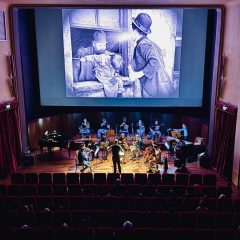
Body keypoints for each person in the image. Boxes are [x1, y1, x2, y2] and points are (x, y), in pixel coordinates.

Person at [128, 13, 176, 98]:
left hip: (154, 90)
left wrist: (136, 75)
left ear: (136, 30)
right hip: (164, 85)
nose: (131, 32)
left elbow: (155, 62)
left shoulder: (142, 45)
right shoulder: (152, 44)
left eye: (132, 29)